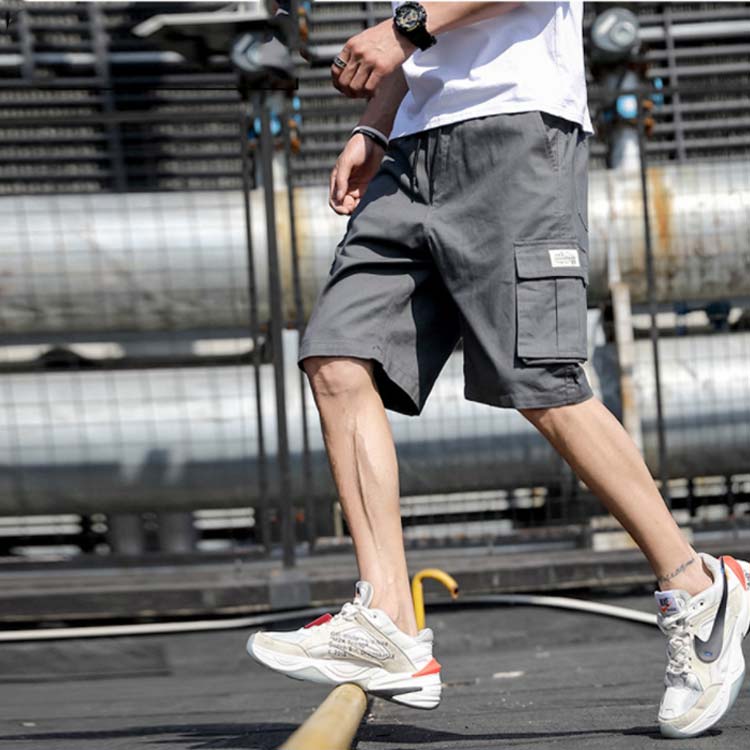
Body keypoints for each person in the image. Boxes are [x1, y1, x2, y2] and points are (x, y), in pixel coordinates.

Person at [247, 1, 750, 738]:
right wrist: (376, 125)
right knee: (337, 355)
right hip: (411, 149)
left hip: (516, 133)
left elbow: (421, 24)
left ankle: (698, 587)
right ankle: (388, 620)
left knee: (542, 384)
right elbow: (421, 35)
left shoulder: (424, 29)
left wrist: (402, 29)